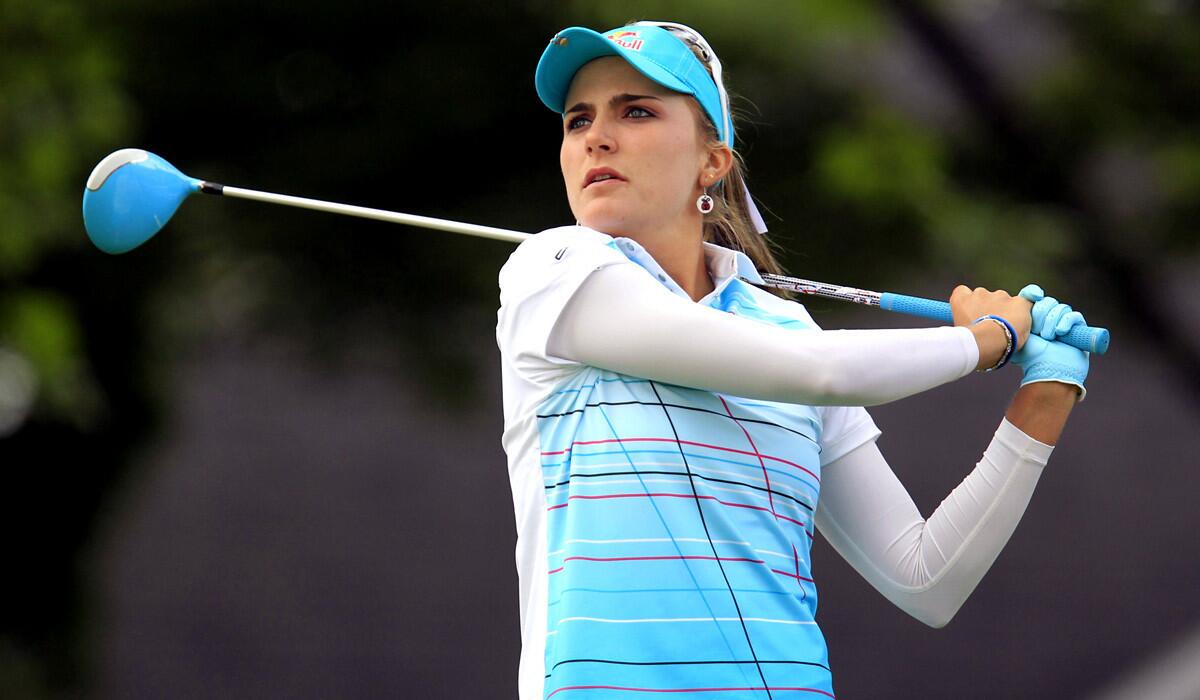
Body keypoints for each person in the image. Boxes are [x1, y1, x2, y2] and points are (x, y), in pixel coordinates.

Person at [496, 21, 1090, 700]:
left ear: (711, 163)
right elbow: (821, 372)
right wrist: (989, 340)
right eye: (578, 121)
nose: (597, 136)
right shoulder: (553, 272)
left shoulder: (782, 326)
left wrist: (1047, 385)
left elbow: (926, 578)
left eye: (636, 110)